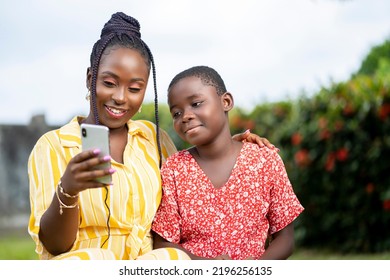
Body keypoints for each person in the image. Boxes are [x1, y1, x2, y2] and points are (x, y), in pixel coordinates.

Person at [27, 12, 274, 260]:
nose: (121, 97)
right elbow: (54, 245)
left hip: (148, 267)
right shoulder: (53, 146)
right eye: (109, 83)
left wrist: (231, 148)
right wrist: (68, 189)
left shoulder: (152, 138)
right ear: (91, 78)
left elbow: (192, 178)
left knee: (172, 259)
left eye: (135, 88)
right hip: (86, 265)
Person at [151, 66, 304, 260]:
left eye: (196, 103)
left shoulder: (265, 160)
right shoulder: (174, 169)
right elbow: (163, 242)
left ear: (226, 101)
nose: (186, 116)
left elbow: (285, 238)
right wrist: (208, 267)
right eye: (176, 113)